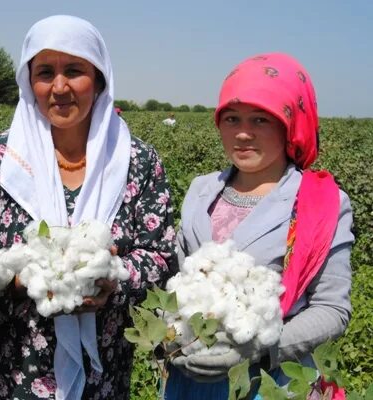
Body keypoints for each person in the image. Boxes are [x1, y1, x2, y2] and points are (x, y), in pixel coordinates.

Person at [0, 15, 176, 399]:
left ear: (98, 79)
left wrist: (113, 278)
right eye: (45, 72)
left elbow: (161, 257)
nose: (60, 87)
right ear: (29, 81)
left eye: (75, 71)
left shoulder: (138, 161)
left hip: (103, 368)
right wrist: (17, 280)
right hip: (12, 367)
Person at [165, 53, 353, 399]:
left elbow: (332, 309)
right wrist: (169, 333)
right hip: (191, 381)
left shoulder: (320, 202)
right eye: (232, 118)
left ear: (290, 124)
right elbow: (178, 281)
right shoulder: (200, 190)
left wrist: (257, 350)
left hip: (270, 384)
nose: (243, 134)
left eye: (261, 120)